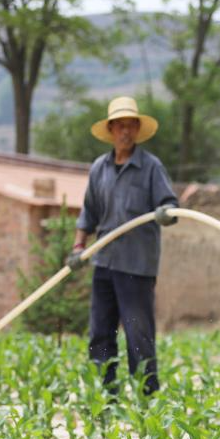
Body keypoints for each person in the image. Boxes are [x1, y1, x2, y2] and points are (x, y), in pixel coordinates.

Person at [69, 96, 179, 396]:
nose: (126, 132)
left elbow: (170, 204)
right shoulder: (98, 169)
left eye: (131, 126)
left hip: (136, 266)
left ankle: (146, 398)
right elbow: (88, 213)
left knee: (138, 335)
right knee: (100, 333)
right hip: (103, 262)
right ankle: (106, 397)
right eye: (120, 126)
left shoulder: (150, 167)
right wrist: (79, 246)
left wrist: (164, 213)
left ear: (137, 130)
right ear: (112, 129)